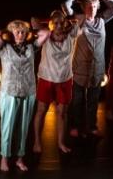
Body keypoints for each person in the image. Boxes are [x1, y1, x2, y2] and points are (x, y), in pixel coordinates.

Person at [0, 20, 50, 171]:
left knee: (23, 127)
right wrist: (8, 32)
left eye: (23, 32)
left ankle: (20, 158)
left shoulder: (31, 46)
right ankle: (4, 158)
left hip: (28, 90)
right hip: (9, 91)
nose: (20, 34)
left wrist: (32, 32)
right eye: (17, 32)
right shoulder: (4, 48)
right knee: (7, 126)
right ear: (11, 34)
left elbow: (47, 33)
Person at [63, 0, 113, 138]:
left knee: (93, 101)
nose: (92, 9)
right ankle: (75, 126)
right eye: (89, 6)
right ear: (83, 7)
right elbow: (65, 6)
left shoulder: (102, 20)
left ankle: (91, 126)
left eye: (95, 6)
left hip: (97, 68)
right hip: (80, 67)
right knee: (77, 101)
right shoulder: (78, 19)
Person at [31, 11, 80, 154]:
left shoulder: (71, 34)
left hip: (64, 79)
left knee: (62, 113)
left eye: (61, 22)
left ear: (65, 22)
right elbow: (34, 19)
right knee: (41, 111)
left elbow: (81, 17)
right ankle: (37, 142)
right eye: (55, 23)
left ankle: (60, 143)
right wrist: (51, 21)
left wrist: (66, 19)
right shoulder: (46, 34)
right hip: (46, 78)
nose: (59, 25)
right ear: (51, 23)